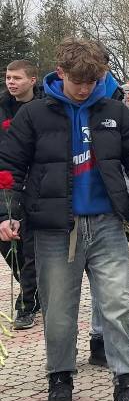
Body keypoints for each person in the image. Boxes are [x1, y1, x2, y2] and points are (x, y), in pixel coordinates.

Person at [0, 37, 129, 401]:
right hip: (54, 229)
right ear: (60, 73)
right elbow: (9, 168)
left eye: (92, 82)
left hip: (107, 225)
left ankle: (126, 382)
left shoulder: (116, 111)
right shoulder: (33, 115)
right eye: (77, 82)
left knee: (117, 305)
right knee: (58, 311)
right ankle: (60, 377)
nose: (85, 89)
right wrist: (7, 213)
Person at [0, 59, 41, 330]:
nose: (11, 82)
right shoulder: (2, 106)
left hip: (36, 183)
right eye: (8, 77)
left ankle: (27, 304)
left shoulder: (44, 106)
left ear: (32, 80)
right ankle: (35, 292)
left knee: (31, 248)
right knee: (8, 242)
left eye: (17, 78)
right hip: (5, 182)